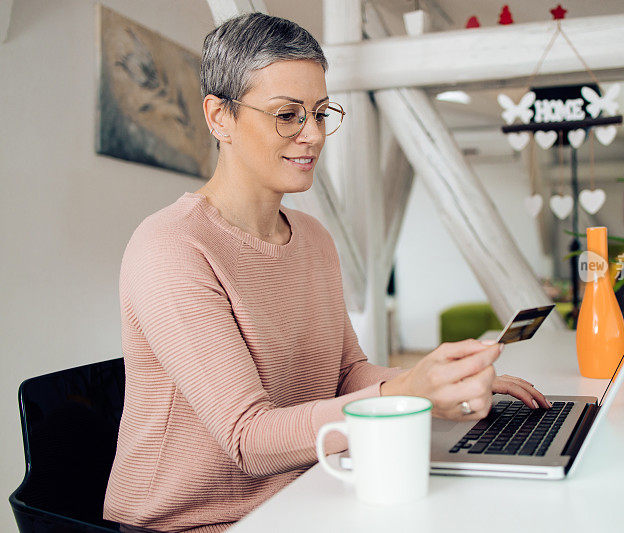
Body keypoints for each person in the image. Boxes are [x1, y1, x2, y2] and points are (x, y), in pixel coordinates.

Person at [103, 13, 549, 533]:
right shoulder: (171, 247)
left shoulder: (313, 239)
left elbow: (347, 373)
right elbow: (249, 440)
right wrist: (409, 394)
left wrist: (438, 377)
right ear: (219, 116)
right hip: (187, 524)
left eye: (320, 113)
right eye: (287, 115)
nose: (312, 135)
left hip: (300, 496)